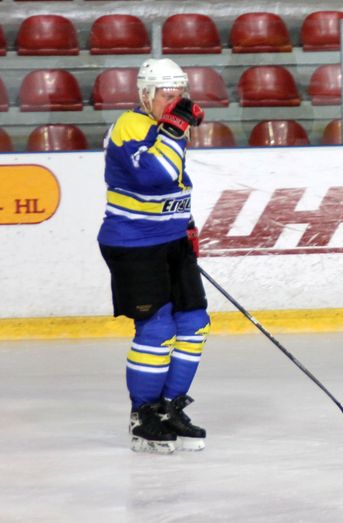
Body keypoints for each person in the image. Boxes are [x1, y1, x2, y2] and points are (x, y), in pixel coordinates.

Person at [98, 58, 210, 454]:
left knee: (195, 323)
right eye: (166, 94)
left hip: (171, 239)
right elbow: (154, 175)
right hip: (133, 243)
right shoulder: (131, 125)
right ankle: (142, 415)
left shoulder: (166, 128)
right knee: (157, 329)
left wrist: (187, 225)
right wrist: (175, 130)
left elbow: (175, 183)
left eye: (179, 93)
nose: (174, 101)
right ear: (145, 94)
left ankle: (169, 409)